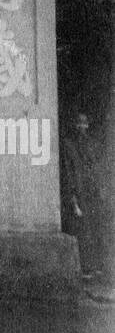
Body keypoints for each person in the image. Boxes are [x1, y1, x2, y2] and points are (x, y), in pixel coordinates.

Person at [61, 110, 106, 278]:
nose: (82, 126)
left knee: (94, 228)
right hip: (78, 193)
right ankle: (85, 268)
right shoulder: (68, 145)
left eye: (85, 123)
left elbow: (95, 168)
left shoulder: (91, 144)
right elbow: (68, 171)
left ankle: (95, 267)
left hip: (91, 192)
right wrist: (73, 200)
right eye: (79, 123)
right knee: (82, 229)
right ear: (74, 124)